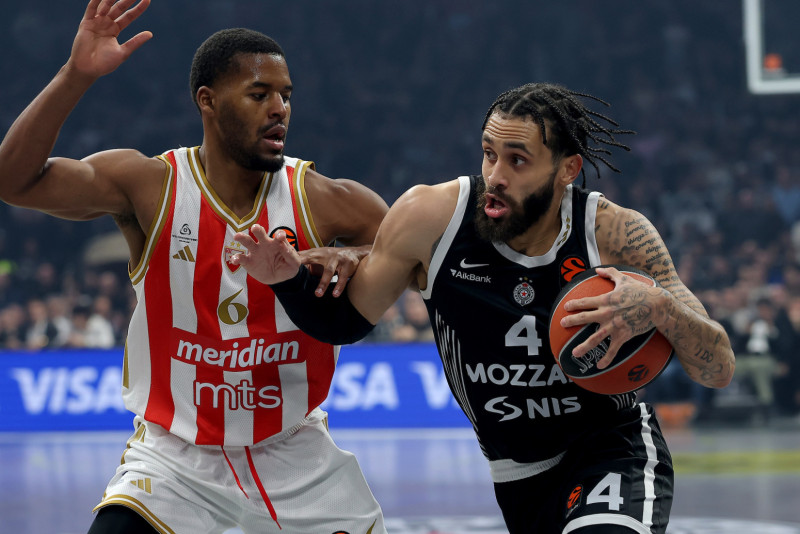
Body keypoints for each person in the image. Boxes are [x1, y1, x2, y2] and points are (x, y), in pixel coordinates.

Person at [232, 82, 736, 533]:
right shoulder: (431, 217)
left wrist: (660, 308)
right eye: (489, 154)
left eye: (518, 160)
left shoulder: (614, 233)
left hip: (611, 447)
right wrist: (288, 280)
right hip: (516, 474)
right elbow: (344, 322)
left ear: (567, 169)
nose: (496, 175)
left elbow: (718, 369)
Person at [0, 1, 389, 533]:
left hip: (298, 456)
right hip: (173, 463)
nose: (280, 108)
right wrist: (75, 75)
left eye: (286, 95)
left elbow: (414, 253)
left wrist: (355, 254)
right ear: (207, 100)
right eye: (259, 94)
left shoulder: (323, 199)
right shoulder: (149, 185)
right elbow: (14, 181)